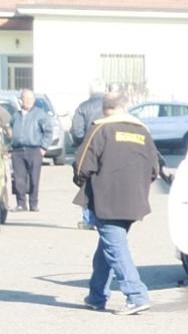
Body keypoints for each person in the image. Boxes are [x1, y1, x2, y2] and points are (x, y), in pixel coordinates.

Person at [74, 92, 159, 316]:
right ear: (124, 107)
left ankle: (136, 295)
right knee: (108, 246)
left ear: (105, 109)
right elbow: (155, 167)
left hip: (107, 199)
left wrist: (82, 183)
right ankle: (96, 296)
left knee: (115, 248)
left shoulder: (100, 129)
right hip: (135, 200)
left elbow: (81, 164)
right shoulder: (142, 131)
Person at [9, 89, 54, 212]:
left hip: (34, 150)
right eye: (25, 98)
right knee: (19, 179)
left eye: (30, 99)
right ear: (21, 100)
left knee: (34, 178)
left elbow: (49, 132)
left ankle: (33, 204)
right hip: (17, 151)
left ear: (34, 100)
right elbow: (10, 132)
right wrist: (10, 147)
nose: (28, 101)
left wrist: (43, 147)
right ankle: (21, 204)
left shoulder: (40, 114)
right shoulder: (15, 116)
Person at [72, 80, 107, 230]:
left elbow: (77, 130)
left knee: (86, 185)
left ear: (90, 91)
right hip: (108, 149)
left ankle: (88, 220)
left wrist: (81, 142)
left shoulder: (83, 106)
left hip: (89, 149)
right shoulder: (111, 106)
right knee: (106, 183)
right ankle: (104, 218)